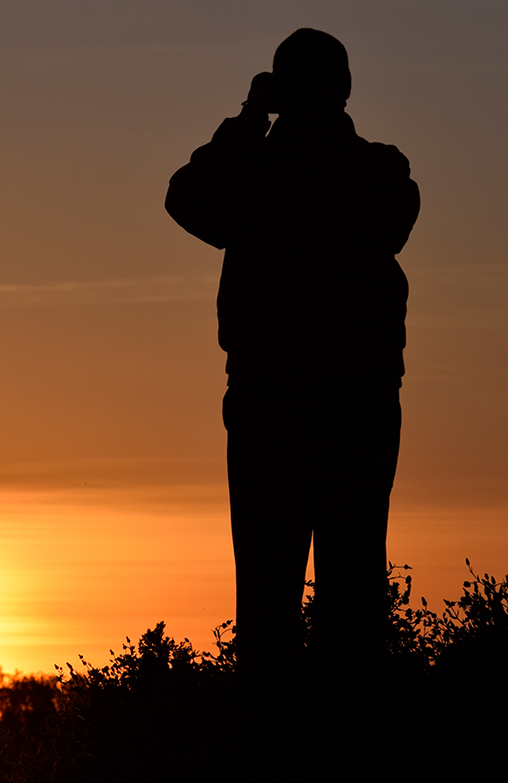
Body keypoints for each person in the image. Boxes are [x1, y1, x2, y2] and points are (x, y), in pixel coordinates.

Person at [165, 29, 420, 672]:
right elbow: (187, 199)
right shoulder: (374, 168)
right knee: (339, 599)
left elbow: (191, 195)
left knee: (284, 604)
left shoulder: (268, 173)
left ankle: (282, 752)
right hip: (336, 406)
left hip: (285, 406)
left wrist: (254, 119)